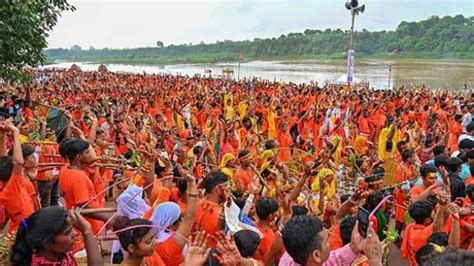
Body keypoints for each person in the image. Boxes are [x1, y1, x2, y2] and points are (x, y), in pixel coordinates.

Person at [10, 207, 102, 266]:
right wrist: (87, 232)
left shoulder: (58, 255)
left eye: (72, 229)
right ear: (46, 242)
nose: (75, 234)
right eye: (68, 232)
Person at [280, 215, 382, 265]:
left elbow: (331, 261)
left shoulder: (291, 256)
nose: (330, 233)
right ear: (316, 255)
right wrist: (375, 260)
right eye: (327, 241)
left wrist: (353, 247)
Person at [0, 120, 39, 233]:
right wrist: (16, 132)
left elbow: (2, 159)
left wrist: (2, 136)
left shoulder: (8, 181)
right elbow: (18, 163)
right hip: (23, 234)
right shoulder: (11, 188)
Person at [194, 171, 228, 247]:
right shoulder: (221, 215)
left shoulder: (197, 204)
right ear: (217, 189)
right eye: (226, 186)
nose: (228, 190)